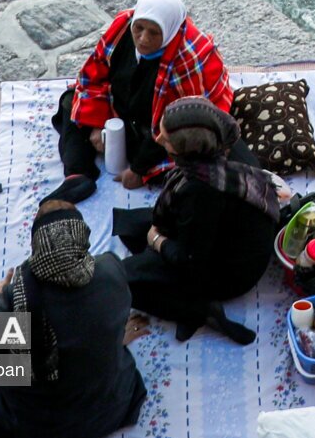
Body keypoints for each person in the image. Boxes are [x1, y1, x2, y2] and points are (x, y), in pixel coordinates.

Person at [0, 201, 149, 438]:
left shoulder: (17, 297)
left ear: (36, 245)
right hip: (106, 413)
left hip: (35, 429)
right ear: (82, 236)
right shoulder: (111, 272)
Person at [46, 0, 233, 204]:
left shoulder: (189, 58)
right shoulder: (123, 27)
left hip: (158, 131)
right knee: (70, 101)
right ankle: (78, 174)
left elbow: (182, 125)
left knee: (188, 164)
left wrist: (139, 170)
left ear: (169, 30)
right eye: (139, 28)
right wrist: (97, 123)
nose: (143, 39)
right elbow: (95, 73)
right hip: (122, 111)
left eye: (154, 33)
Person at [120, 96, 280, 344]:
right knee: (127, 226)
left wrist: (157, 240)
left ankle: (197, 311)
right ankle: (162, 274)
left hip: (231, 269)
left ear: (188, 152)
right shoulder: (223, 141)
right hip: (223, 231)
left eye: (166, 139)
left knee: (126, 282)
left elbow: (189, 259)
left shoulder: (201, 190)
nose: (158, 139)